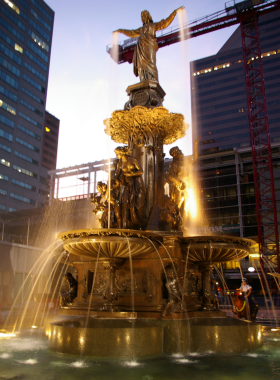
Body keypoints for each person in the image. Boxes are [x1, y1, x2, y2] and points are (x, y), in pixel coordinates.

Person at [115, 7, 185, 82]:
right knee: (141, 65)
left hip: (150, 45)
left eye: (145, 16)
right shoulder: (141, 29)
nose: (143, 18)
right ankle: (143, 80)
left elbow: (164, 23)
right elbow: (132, 33)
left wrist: (174, 12)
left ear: (148, 17)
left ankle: (153, 80)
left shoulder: (153, 25)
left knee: (151, 63)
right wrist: (121, 30)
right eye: (142, 17)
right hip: (141, 47)